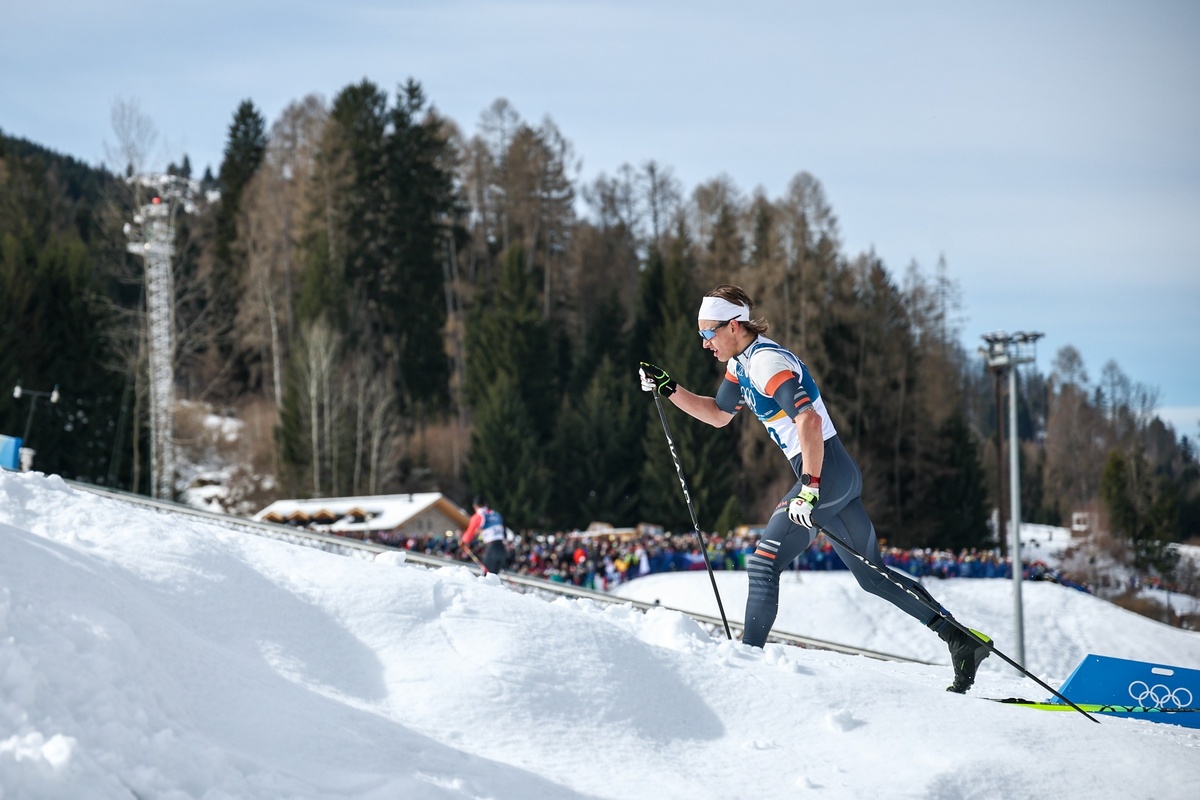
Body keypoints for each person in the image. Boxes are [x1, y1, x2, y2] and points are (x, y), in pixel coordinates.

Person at [638, 284, 992, 693]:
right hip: (834, 475)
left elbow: (808, 421)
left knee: (763, 562)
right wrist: (669, 388)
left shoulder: (767, 362)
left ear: (734, 326)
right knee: (873, 577)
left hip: (825, 474)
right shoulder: (740, 364)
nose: (704, 343)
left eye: (708, 333)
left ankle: (745, 667)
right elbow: (718, 415)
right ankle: (961, 640)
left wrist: (809, 486)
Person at [462, 496, 508, 575]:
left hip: (491, 548)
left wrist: (463, 541)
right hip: (502, 548)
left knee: (486, 577)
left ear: (475, 506)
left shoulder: (479, 516)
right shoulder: (496, 514)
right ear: (486, 504)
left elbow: (470, 532)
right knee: (493, 578)